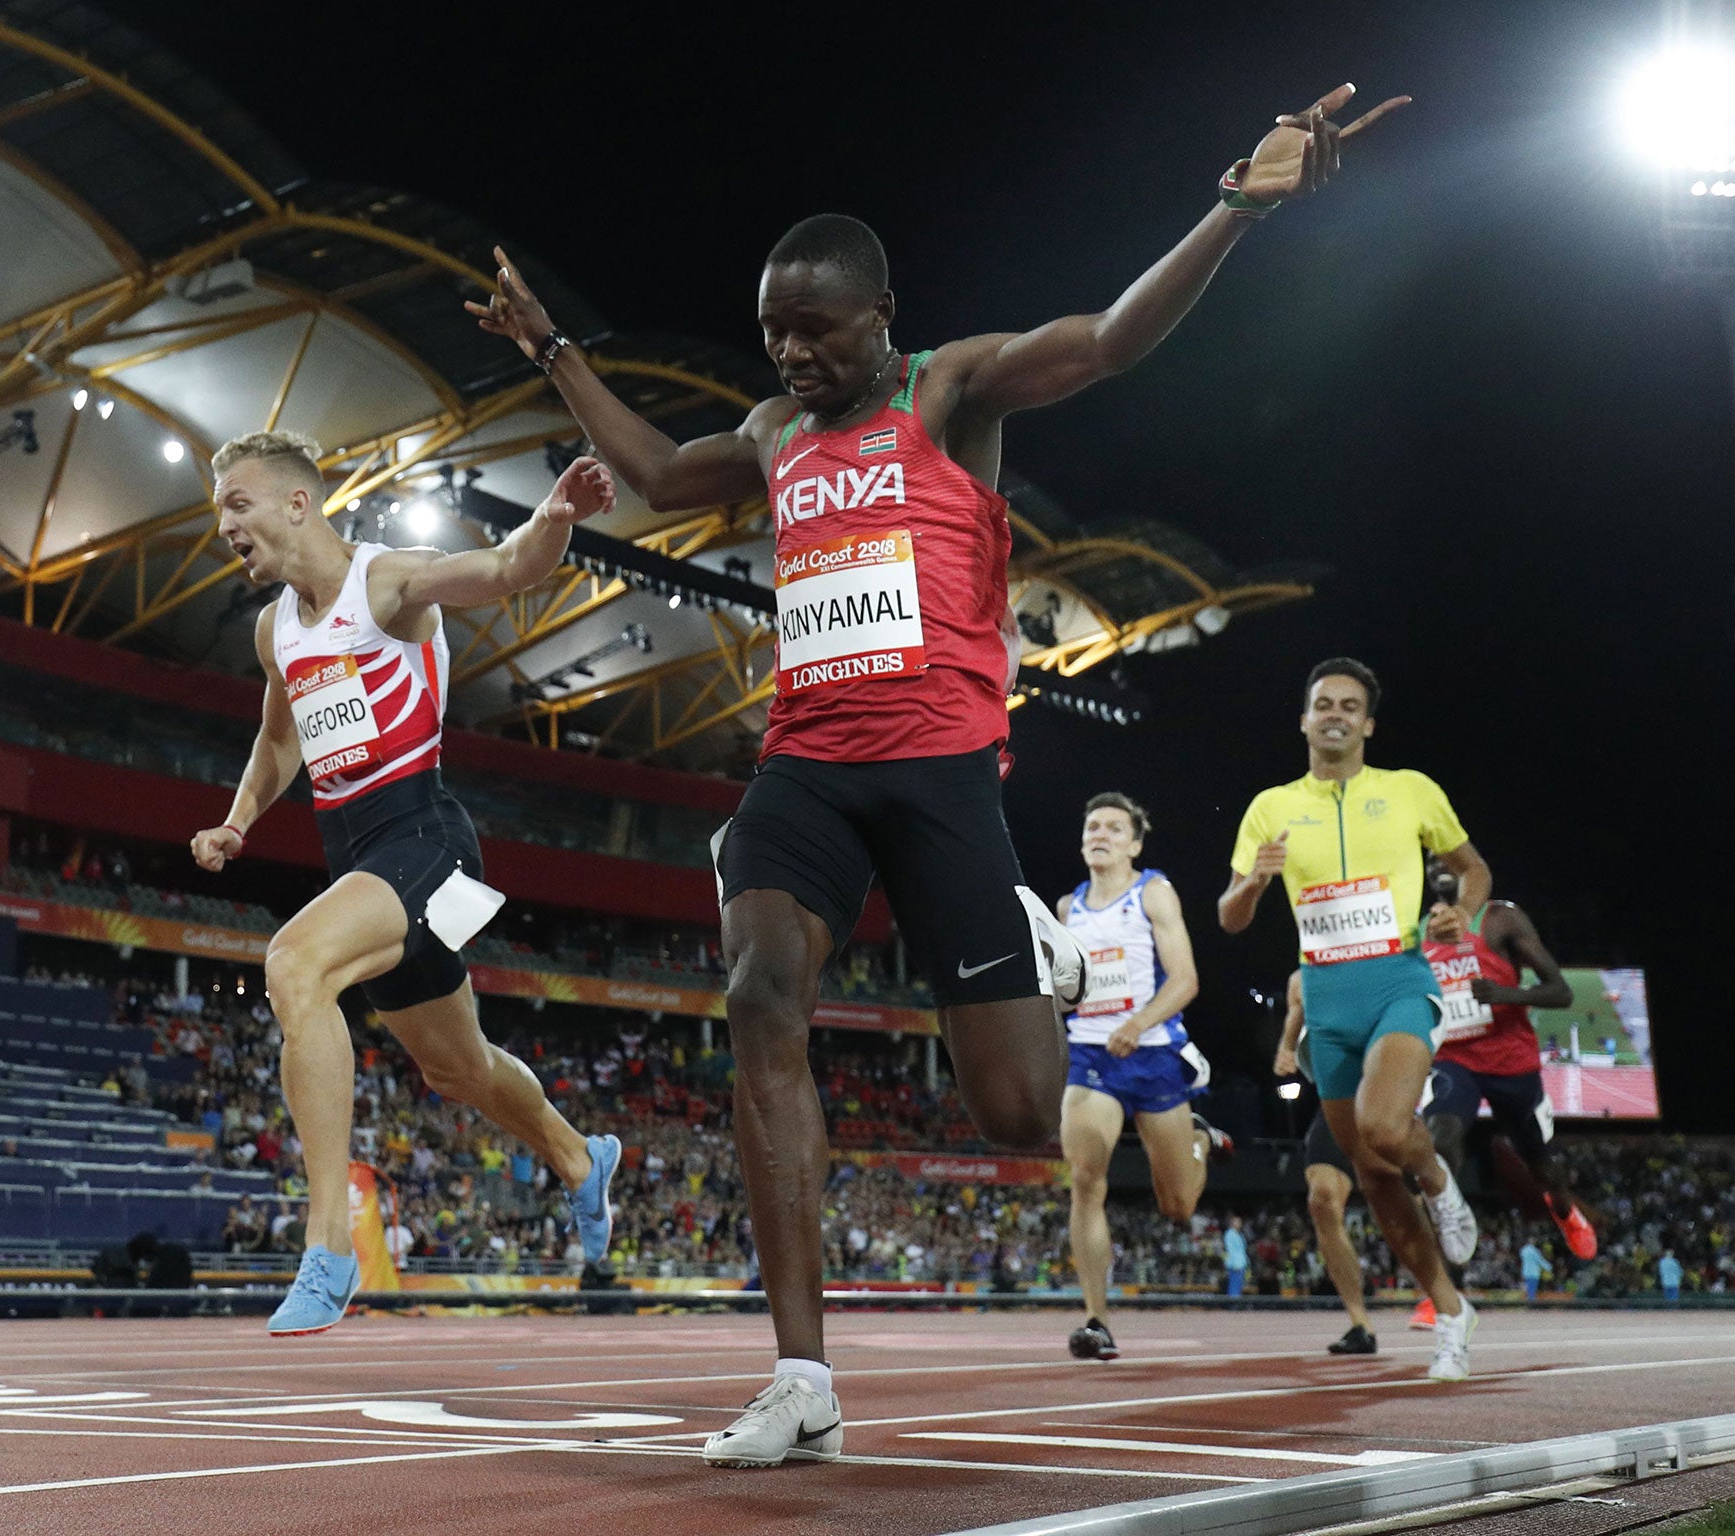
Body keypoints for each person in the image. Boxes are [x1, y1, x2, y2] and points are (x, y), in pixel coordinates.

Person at [471, 82, 1408, 1470]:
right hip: (806, 763)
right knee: (758, 993)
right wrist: (556, 350)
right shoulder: (780, 434)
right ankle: (802, 1375)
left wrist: (1230, 211)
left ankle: (1044, 955)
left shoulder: (951, 387)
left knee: (1022, 1115)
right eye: (774, 330)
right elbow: (665, 477)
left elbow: (1102, 342)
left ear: (880, 317)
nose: (791, 353)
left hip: (944, 770)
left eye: (817, 329)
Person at [190, 430, 623, 1336]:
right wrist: (238, 820)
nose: (224, 525)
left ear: (299, 503)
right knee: (455, 1070)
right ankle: (582, 1159)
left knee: (294, 965)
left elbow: (506, 569)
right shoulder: (277, 629)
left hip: (426, 839)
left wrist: (556, 515)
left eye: (238, 504)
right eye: (217, 511)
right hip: (360, 863)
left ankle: (328, 1250)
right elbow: (279, 741)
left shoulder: (386, 582)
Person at [1219, 658, 1489, 1381]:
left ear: (1367, 723)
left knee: (1380, 1125)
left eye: (1349, 705)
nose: (1334, 713)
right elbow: (1230, 917)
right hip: (1326, 1000)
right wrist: (1254, 881)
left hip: (1399, 979)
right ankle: (1453, 1317)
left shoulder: (1409, 792)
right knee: (1371, 1178)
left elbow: (1474, 868)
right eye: (1322, 704)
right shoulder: (1271, 807)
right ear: (1304, 720)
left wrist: (1461, 912)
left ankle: (1438, 1179)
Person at [1058, 792, 1228, 1362]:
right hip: (1091, 1056)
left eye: (1112, 827)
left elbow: (1184, 980)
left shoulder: (1152, 892)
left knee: (1178, 1205)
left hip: (1152, 1051)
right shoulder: (1067, 909)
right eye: (1091, 825)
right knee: (1085, 1178)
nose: (1099, 833)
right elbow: (1060, 989)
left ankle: (1200, 1141)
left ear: (1134, 843)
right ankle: (1096, 1321)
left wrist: (1137, 1023)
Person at [1418, 860, 1597, 1260]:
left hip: (1510, 1061)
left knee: (1540, 1164)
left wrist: (1504, 995)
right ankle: (1447, 1266)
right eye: (1432, 861)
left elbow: (1561, 992)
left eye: (1450, 857)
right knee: (1440, 1141)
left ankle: (1565, 1210)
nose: (1441, 866)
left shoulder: (1500, 919)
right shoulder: (1419, 933)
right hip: (1453, 1061)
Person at [1274, 971, 1380, 1355]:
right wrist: (1285, 1047)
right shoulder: (1301, 978)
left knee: (1407, 1206)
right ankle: (1360, 1324)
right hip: (1337, 1102)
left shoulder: (1378, 959)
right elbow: (1296, 1012)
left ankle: (1443, 1299)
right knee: (1322, 1200)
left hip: (1386, 1096)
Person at [1222, 1213, 1250, 1298]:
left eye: (1240, 1222)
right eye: (1237, 1222)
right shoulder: (1229, 1234)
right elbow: (1230, 1250)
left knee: (1238, 1285)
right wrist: (1233, 1263)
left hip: (1241, 1263)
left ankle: (1236, 1302)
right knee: (1234, 1285)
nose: (1239, 1224)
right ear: (1232, 1223)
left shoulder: (1239, 1235)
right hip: (1235, 1264)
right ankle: (1233, 1304)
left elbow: (1242, 1250)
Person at [1519, 1238, 1550, 1302]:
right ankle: (1531, 1301)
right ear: (1533, 1242)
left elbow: (1522, 1258)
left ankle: (1527, 1301)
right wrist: (1548, 1267)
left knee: (1527, 1288)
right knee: (1532, 1289)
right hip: (1533, 1273)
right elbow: (1540, 1261)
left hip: (1526, 1272)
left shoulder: (1523, 1250)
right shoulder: (1535, 1251)